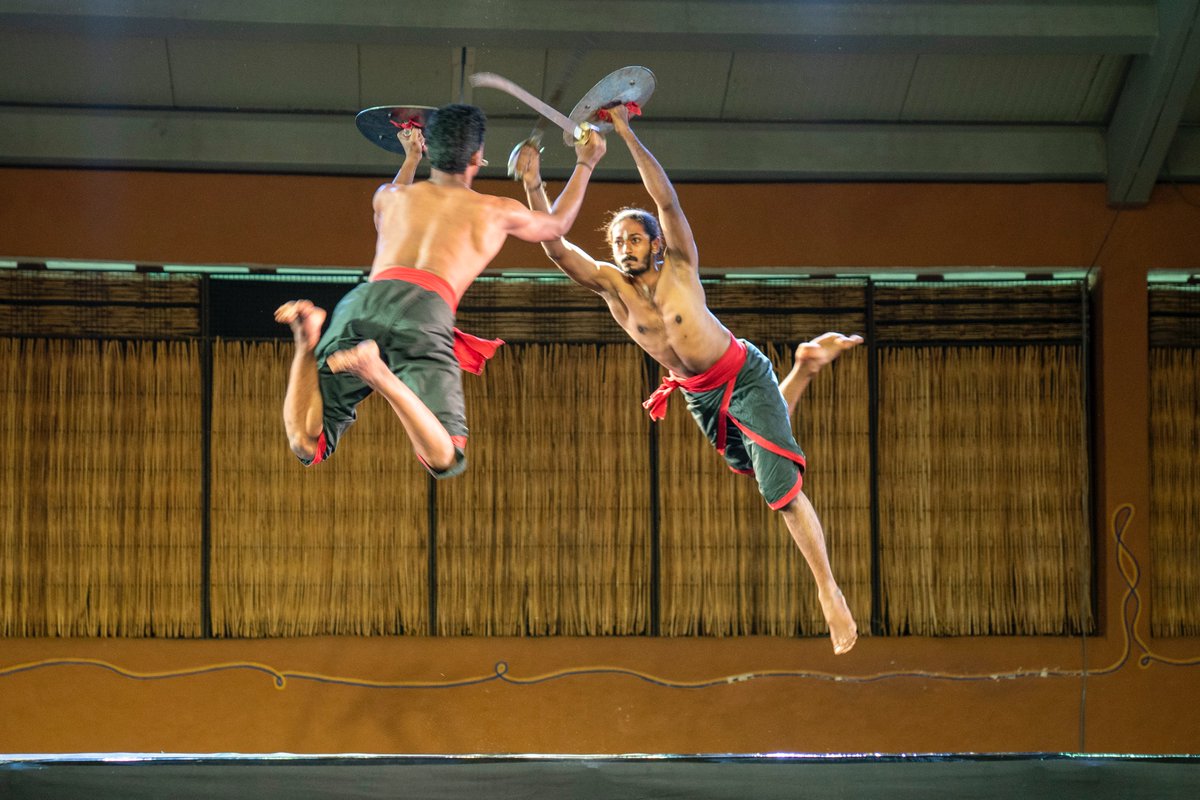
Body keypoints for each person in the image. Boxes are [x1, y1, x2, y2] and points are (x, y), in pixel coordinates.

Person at [516, 105, 860, 654]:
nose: (623, 248)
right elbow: (556, 245)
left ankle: (829, 591)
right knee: (755, 461)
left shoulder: (680, 264)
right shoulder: (612, 289)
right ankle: (805, 366)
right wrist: (536, 185)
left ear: (654, 243)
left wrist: (625, 131)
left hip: (741, 373)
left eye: (633, 239)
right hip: (699, 396)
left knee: (781, 488)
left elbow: (666, 200)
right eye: (617, 242)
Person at [275, 104, 606, 478]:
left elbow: (399, 190)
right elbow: (557, 225)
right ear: (478, 157)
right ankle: (380, 375)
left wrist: (411, 157)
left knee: (306, 441)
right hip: (425, 309)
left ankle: (305, 342)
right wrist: (585, 162)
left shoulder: (388, 196)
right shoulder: (494, 210)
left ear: (430, 148)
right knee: (446, 457)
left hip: (363, 302)